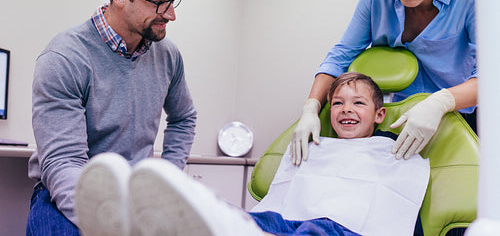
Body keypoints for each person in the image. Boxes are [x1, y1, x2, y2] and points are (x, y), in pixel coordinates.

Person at [74, 72, 430, 236]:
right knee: (253, 217)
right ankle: (182, 218)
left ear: (380, 114)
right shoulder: (315, 144)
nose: (345, 109)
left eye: (357, 103)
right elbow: (283, 196)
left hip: (340, 229)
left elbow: (398, 204)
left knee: (314, 230)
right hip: (287, 221)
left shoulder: (393, 149)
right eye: (337, 102)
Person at [26, 0, 197, 236]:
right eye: (160, 3)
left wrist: (166, 180)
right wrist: (115, 223)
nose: (171, 15)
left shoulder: (167, 55)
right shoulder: (64, 57)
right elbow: (64, 163)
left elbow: (184, 118)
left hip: (138, 197)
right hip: (69, 193)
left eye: (173, 1)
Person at [291, 0, 477, 166]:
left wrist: (439, 103)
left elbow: (491, 75)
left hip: (461, 114)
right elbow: (341, 56)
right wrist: (311, 107)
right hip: (401, 118)